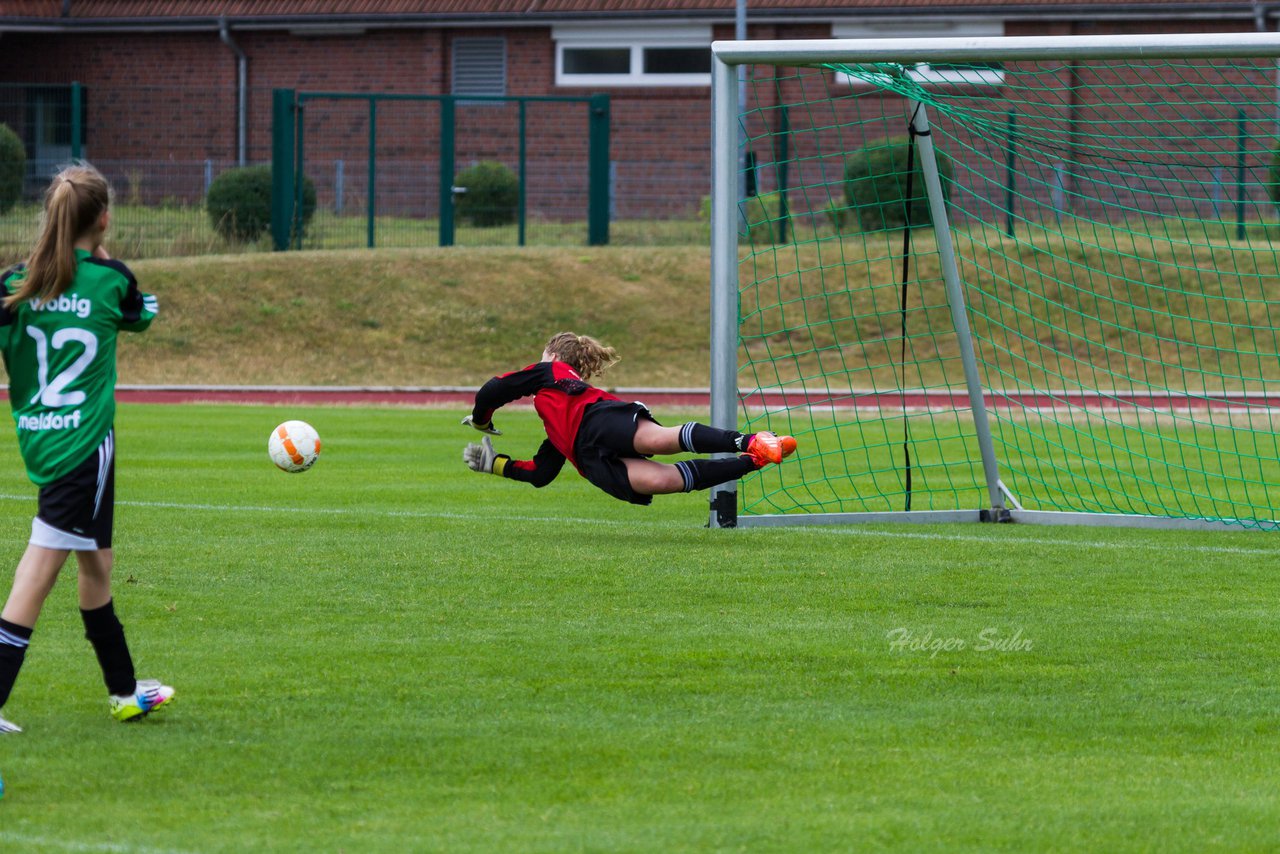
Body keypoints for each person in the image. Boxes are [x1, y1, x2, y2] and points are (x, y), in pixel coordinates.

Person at [0, 163, 172, 735]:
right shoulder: (110, 279)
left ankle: (124, 691)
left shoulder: (12, 285)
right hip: (84, 449)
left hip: (44, 441)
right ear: (103, 218)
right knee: (36, 576)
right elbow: (141, 315)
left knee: (97, 565)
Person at [462, 331, 797, 503]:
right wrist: (496, 465)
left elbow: (494, 389)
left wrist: (481, 419)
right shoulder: (554, 427)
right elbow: (542, 473)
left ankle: (751, 439)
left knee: (660, 440)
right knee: (663, 481)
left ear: (552, 355)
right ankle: (755, 458)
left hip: (596, 420)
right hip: (590, 458)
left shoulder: (548, 371)